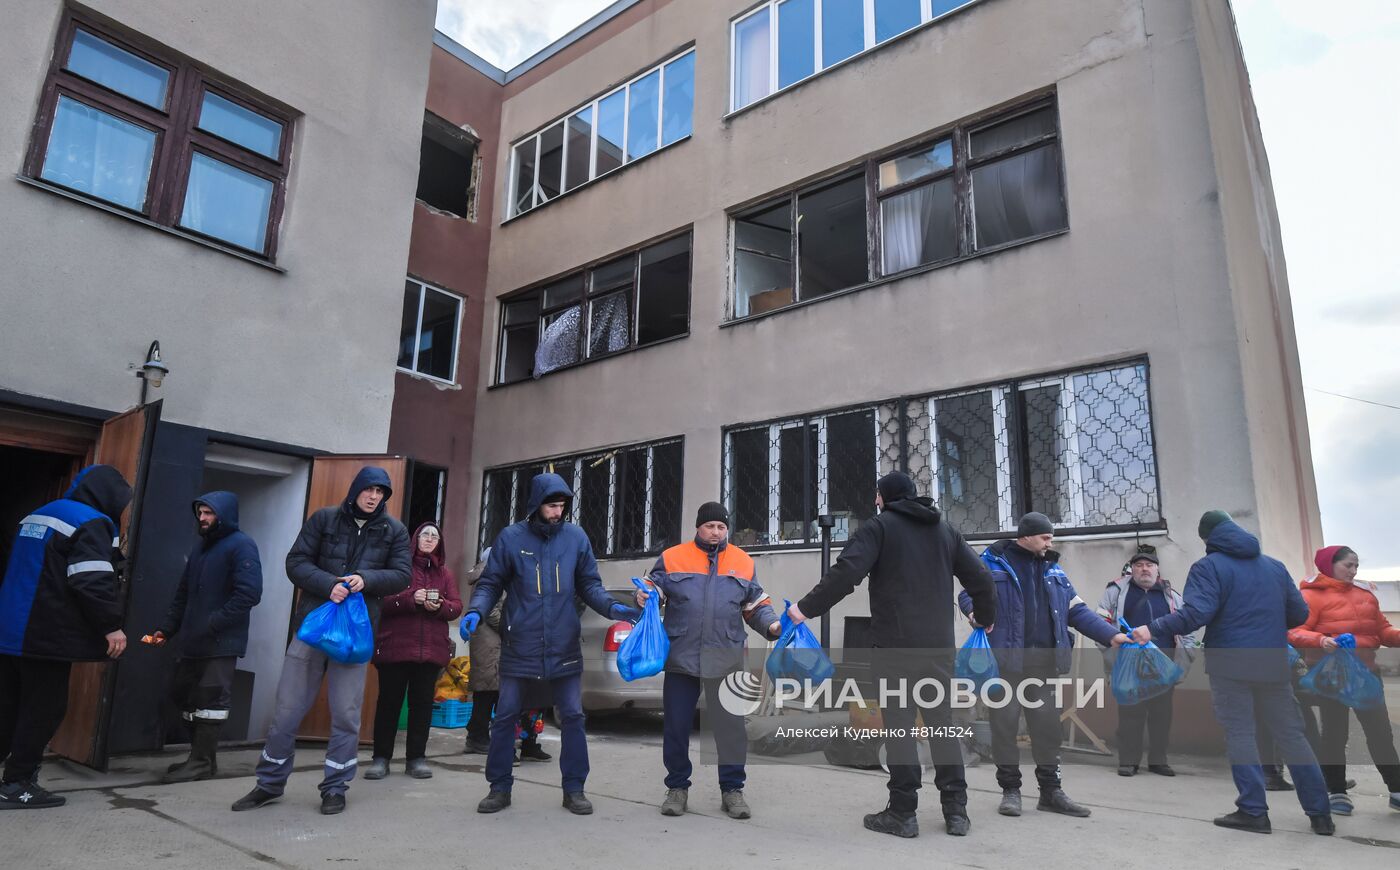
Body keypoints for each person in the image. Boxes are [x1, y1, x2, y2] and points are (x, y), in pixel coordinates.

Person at [788, 471, 998, 838]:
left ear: (885, 497)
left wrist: (805, 608)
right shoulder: (945, 531)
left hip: (894, 646)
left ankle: (903, 813)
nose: (874, 501)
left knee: (899, 727)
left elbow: (846, 573)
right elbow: (981, 578)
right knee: (941, 723)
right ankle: (956, 812)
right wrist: (986, 617)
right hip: (937, 647)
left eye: (876, 495)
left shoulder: (879, 527)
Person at [1133, 510, 1334, 835]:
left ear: (1207, 538)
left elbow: (1196, 613)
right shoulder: (1274, 566)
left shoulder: (1208, 567)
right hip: (1272, 661)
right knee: (1291, 734)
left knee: (1241, 734)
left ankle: (1254, 811)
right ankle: (1320, 815)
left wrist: (1152, 627)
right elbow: (1299, 613)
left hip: (1230, 663)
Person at [232, 467, 411, 816]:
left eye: (381, 492)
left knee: (346, 715)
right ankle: (268, 783)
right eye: (369, 490)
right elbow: (295, 562)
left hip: (355, 636)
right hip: (313, 628)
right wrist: (329, 584)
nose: (374, 497)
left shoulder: (394, 531)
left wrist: (366, 578)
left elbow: (402, 575)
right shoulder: (325, 519)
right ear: (356, 489)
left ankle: (335, 788)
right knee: (286, 712)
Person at [462, 473, 640, 815]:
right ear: (535, 505)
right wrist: (476, 611)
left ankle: (574, 789)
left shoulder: (575, 538)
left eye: (562, 506)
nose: (558, 512)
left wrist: (614, 607)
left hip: (564, 647)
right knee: (505, 716)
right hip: (520, 645)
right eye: (552, 505)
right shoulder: (511, 538)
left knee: (573, 715)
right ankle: (499, 787)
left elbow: (590, 585)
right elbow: (490, 583)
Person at [959, 511, 1127, 820]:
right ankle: (1011, 791)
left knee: (1048, 728)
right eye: (1045, 536)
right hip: (1006, 666)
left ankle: (1051, 792)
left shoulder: (1054, 571)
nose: (1050, 541)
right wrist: (975, 614)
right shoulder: (993, 563)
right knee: (1005, 727)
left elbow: (1076, 611)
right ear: (1024, 536)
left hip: (1043, 666)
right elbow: (968, 594)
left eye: (1051, 537)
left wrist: (1112, 635)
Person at [636, 502, 780, 821]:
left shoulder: (742, 561)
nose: (716, 532)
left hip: (726, 656)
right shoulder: (674, 557)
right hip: (681, 657)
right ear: (698, 528)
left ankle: (732, 790)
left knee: (730, 729)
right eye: (710, 526)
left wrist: (772, 625)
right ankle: (677, 788)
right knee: (676, 727)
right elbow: (654, 590)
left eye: (721, 527)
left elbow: (755, 604)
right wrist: (643, 596)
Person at [0, 465, 131, 809]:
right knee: (43, 708)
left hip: (9, 629)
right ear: (110, 497)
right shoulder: (92, 522)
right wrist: (110, 625)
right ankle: (16, 784)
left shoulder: (38, 514)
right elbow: (90, 579)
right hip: (43, 634)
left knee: (8, 705)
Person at [148, 492, 263, 784]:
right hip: (192, 641)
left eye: (209, 513)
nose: (202, 518)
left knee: (210, 701)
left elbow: (249, 594)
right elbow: (183, 594)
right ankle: (201, 760)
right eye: (200, 513)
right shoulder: (202, 548)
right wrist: (166, 629)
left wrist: (213, 623)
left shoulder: (242, 546)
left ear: (223, 514)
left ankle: (200, 762)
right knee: (184, 695)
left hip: (221, 642)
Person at [1287, 545, 1400, 815]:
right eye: (1348, 565)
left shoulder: (1365, 595)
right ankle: (1337, 791)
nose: (1353, 571)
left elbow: (1383, 631)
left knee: (1381, 733)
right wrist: (1322, 640)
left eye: (1356, 566)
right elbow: (1294, 631)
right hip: (1330, 674)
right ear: (1330, 565)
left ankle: (1396, 790)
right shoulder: (1310, 596)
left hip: (1365, 674)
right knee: (1335, 735)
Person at [364, 522, 462, 781]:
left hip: (430, 652)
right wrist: (410, 599)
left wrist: (439, 607)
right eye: (424, 535)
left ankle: (416, 758)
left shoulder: (446, 574)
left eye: (434, 536)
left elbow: (456, 606)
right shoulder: (399, 569)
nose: (429, 539)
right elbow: (380, 602)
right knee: (389, 704)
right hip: (396, 648)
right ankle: (381, 758)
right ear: (415, 539)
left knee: (422, 706)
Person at [1096, 549, 1196, 777]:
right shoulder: (1116, 592)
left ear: (1157, 569)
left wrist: (1184, 661)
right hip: (1128, 665)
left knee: (1162, 715)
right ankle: (1128, 761)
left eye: (1149, 565)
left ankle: (1158, 760)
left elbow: (1188, 628)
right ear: (1132, 570)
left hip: (1164, 666)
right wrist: (1112, 657)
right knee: (1131, 714)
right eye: (1139, 565)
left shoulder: (1172, 595)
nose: (1144, 569)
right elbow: (1099, 624)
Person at [462, 550, 499, 756]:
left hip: (491, 639)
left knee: (491, 690)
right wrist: (510, 627)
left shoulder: (490, 572)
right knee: (487, 690)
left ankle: (478, 733)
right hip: (489, 638)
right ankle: (477, 736)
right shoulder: (488, 575)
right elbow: (491, 609)